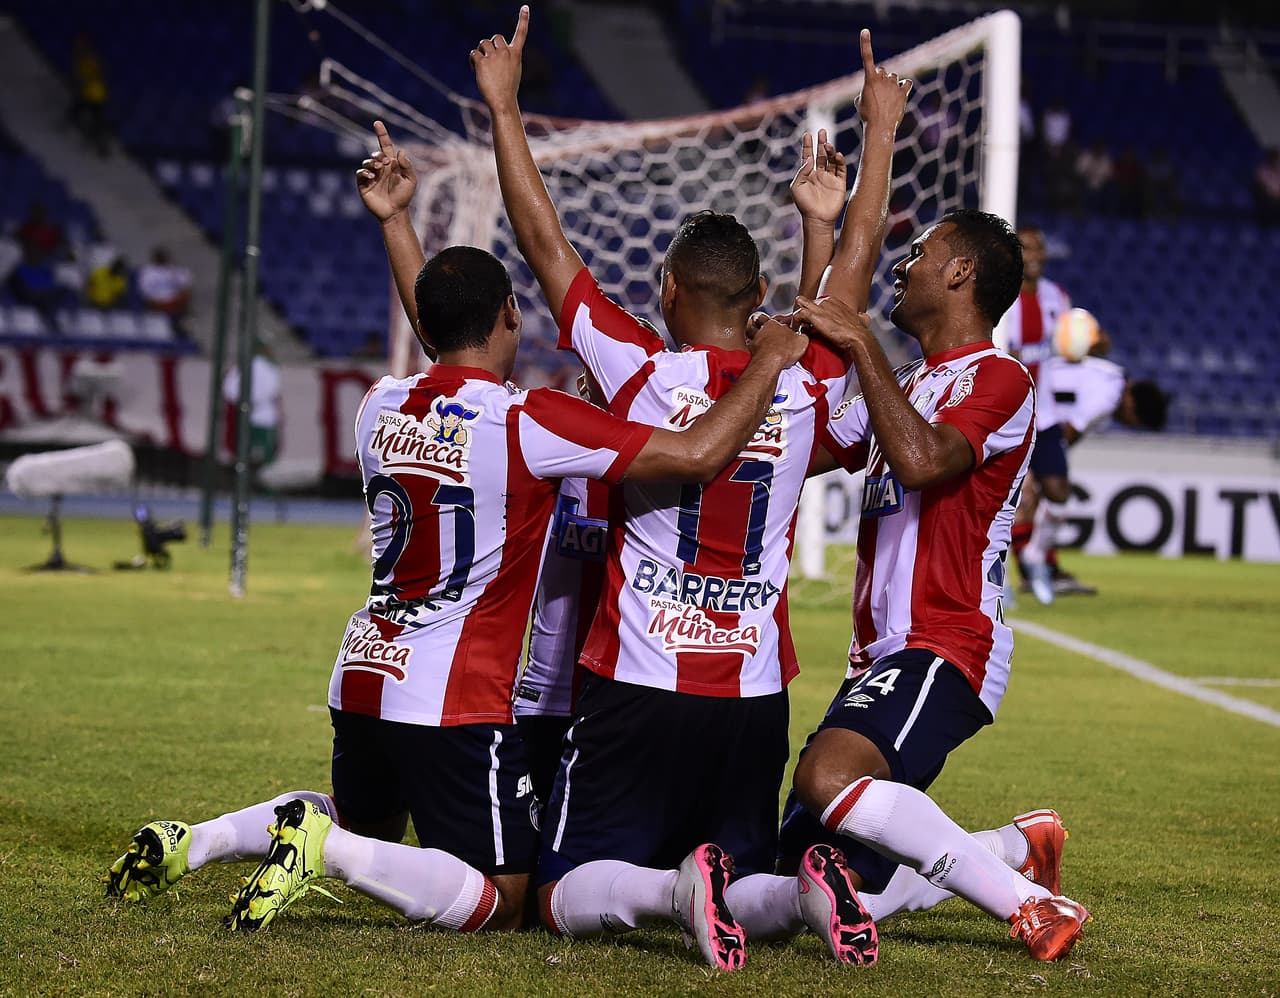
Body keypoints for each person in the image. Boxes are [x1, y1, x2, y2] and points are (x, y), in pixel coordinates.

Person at [104, 137, 812, 937]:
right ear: (510, 316)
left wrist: (396, 223)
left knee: (367, 818)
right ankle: (321, 851)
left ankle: (201, 840)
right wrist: (770, 357)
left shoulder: (380, 404)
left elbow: (447, 343)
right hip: (465, 696)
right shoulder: (537, 426)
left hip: (367, 666)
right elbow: (693, 451)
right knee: (508, 896)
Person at [471, 11, 906, 970]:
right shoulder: (800, 385)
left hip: (638, 680)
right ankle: (804, 890)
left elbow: (545, 244)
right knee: (742, 869)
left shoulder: (636, 373)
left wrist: (505, 107)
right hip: (751, 689)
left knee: (560, 893)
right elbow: (849, 281)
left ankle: (673, 891)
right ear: (757, 301)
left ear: (669, 291)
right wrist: (873, 144)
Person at [774, 207, 1092, 963]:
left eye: (919, 251)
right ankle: (1015, 847)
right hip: (879, 656)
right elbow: (798, 447)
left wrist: (863, 346)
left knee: (828, 775)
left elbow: (922, 461)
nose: (902, 264)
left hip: (947, 640)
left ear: (959, 273)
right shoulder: (909, 381)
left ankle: (1029, 905)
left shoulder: (1001, 378)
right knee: (796, 882)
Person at [1003, 224, 1070, 604]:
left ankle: (1035, 553)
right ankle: (1003, 578)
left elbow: (1071, 344)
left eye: (1039, 248)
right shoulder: (1001, 295)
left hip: (1046, 414)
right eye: (1027, 248)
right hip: (1010, 412)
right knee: (1019, 497)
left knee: (1058, 492)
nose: (1036, 255)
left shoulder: (1056, 297)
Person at [137, 247, 192, 320]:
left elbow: (186, 283)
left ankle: (182, 316)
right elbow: (144, 291)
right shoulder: (147, 271)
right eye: (160, 257)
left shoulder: (174, 269)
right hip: (156, 302)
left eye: (163, 256)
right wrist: (156, 302)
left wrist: (178, 297)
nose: (162, 258)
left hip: (174, 300)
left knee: (186, 294)